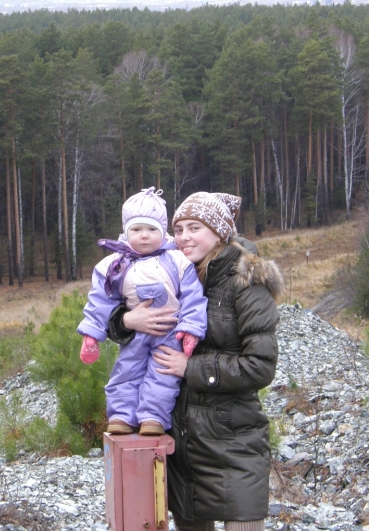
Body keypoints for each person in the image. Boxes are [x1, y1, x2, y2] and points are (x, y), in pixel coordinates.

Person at [107, 191, 283, 531]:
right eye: (179, 229)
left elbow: (260, 366)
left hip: (233, 444)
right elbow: (111, 309)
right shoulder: (171, 270)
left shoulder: (246, 283)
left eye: (195, 228)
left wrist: (190, 368)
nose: (184, 237)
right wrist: (127, 321)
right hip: (183, 444)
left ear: (219, 232)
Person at [77, 187, 208, 436]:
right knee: (126, 370)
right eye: (136, 230)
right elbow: (100, 301)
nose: (144, 236)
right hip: (135, 334)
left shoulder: (178, 260)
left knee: (163, 374)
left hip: (170, 333)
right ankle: (121, 416)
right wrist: (91, 334)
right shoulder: (114, 264)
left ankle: (153, 417)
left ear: (163, 231)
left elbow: (193, 298)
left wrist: (191, 330)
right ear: (125, 232)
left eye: (151, 229)